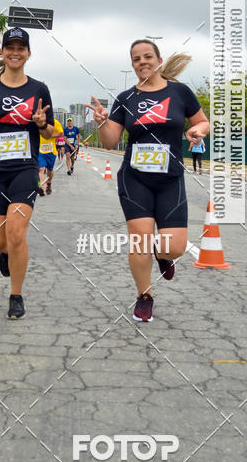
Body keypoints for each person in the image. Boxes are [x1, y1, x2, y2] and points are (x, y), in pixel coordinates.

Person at [86, 40, 209, 323]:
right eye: (136, 59)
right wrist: (101, 122)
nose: (142, 62)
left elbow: (202, 121)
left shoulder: (180, 92)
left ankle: (162, 253)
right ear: (133, 64)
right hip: (135, 178)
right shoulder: (125, 98)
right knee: (139, 239)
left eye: (147, 57)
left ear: (158, 59)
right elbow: (110, 142)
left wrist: (196, 131)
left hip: (170, 179)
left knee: (175, 247)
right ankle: (144, 295)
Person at [0, 27, 55, 319]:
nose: (15, 52)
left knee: (17, 233)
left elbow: (51, 132)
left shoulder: (39, 89)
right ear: (3, 52)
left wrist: (42, 124)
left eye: (21, 47)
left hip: (24, 169)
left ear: (28, 53)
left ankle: (16, 294)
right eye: (10, 47)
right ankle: (7, 253)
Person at [37, 118, 64, 195]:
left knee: (50, 170)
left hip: (51, 151)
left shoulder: (54, 122)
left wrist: (50, 135)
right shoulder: (37, 122)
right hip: (40, 150)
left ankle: (48, 183)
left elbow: (61, 133)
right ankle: (41, 187)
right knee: (41, 169)